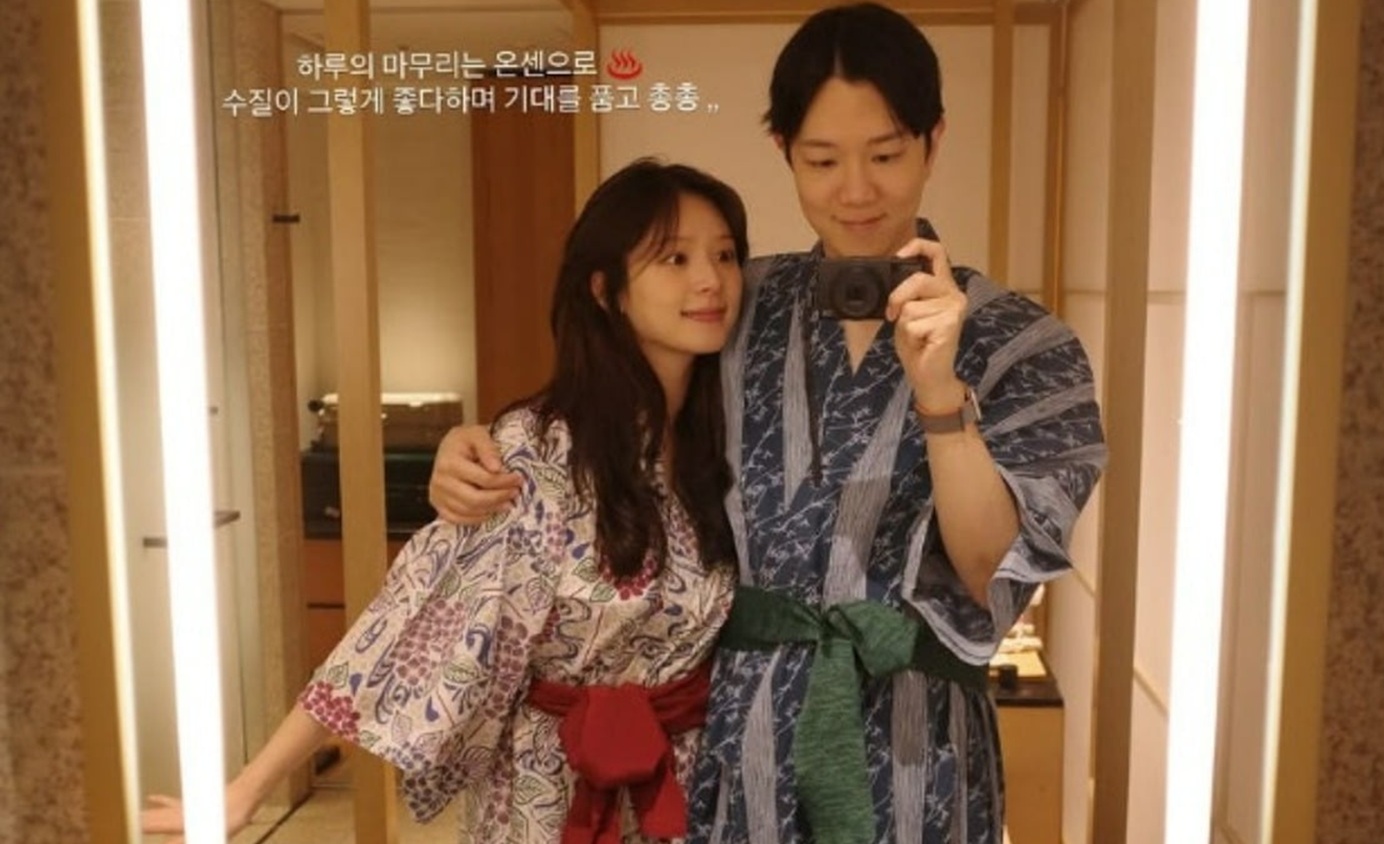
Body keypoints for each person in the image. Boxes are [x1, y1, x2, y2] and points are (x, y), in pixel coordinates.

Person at [429, 5, 1106, 843]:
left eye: (886, 155)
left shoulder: (1024, 344)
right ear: (782, 148)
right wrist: (481, 444)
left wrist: (940, 397)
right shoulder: (738, 302)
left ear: (934, 141)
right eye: (822, 159)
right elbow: (609, 401)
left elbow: (986, 568)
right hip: (742, 727)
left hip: (919, 739)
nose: (856, 190)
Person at [141, 157, 750, 844]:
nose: (710, 280)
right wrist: (248, 789)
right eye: (674, 258)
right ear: (606, 289)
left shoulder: (726, 440)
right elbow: (404, 622)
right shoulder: (534, 452)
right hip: (551, 794)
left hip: (690, 781)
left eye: (726, 255)